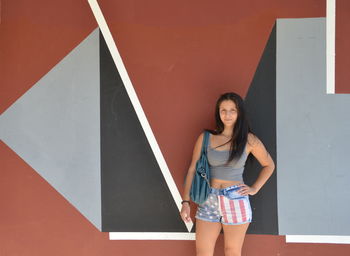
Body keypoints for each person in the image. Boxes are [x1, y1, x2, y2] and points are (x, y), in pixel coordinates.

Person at [180, 92, 275, 256]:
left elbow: (269, 165)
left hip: (236, 199)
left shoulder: (249, 140)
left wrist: (254, 188)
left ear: (239, 113)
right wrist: (185, 202)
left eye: (233, 110)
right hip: (208, 199)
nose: (227, 114)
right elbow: (192, 169)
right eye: (223, 110)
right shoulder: (206, 138)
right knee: (203, 252)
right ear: (218, 112)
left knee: (232, 251)